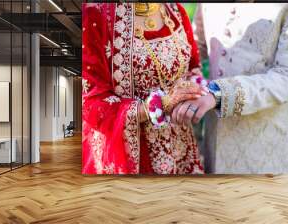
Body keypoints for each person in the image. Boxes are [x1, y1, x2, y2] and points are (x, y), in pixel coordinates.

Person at [172, 3, 288, 174]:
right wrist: (189, 85)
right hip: (215, 139)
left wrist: (219, 93)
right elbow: (194, 52)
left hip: (265, 146)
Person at [82, 3, 205, 174]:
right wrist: (155, 106)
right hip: (133, 156)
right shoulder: (95, 14)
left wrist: (193, 92)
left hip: (182, 152)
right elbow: (90, 103)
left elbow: (193, 67)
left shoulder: (176, 10)